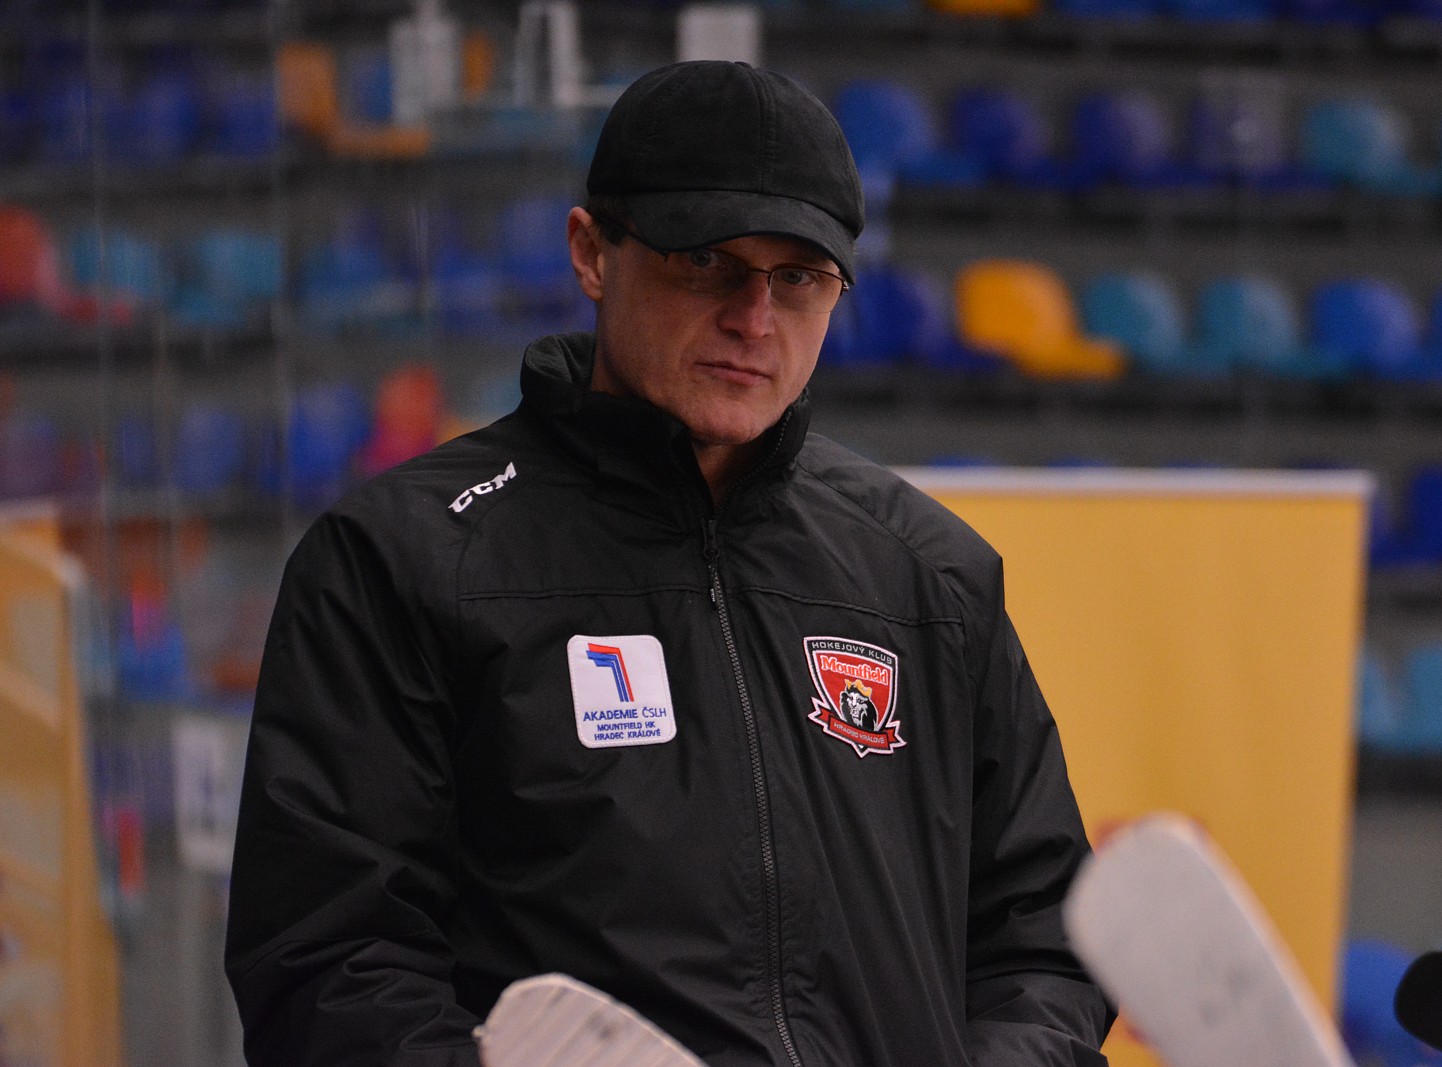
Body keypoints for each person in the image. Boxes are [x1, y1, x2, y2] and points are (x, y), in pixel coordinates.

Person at [225, 59, 1113, 1066]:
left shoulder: (929, 575)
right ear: (591, 252)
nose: (754, 319)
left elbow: (1044, 935)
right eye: (706, 263)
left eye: (798, 278)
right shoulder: (402, 558)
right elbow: (328, 964)